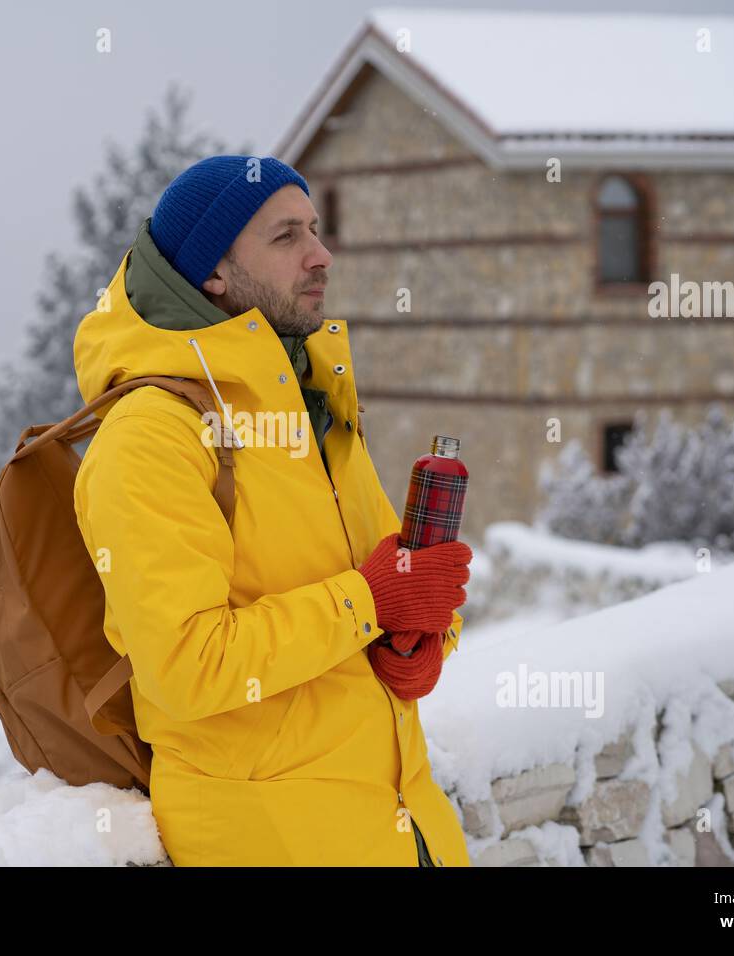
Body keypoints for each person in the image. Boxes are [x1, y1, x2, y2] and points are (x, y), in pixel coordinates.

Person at [71, 155, 472, 866]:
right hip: (272, 838)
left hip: (401, 826)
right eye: (286, 237)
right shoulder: (151, 435)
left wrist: (426, 637)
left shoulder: (311, 400)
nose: (321, 255)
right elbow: (187, 666)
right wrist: (369, 604)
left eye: (315, 230)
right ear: (212, 273)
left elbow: (385, 578)